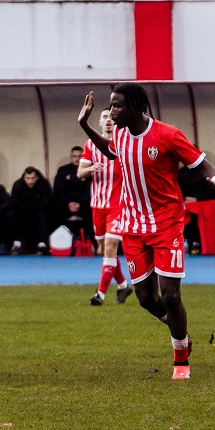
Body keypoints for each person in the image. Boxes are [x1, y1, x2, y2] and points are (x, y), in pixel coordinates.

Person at [77, 83, 215, 381]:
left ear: (135, 107)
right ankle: (182, 337)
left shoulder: (167, 134)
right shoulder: (120, 133)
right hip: (133, 227)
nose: (111, 112)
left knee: (171, 296)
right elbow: (110, 151)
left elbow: (201, 163)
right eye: (110, 106)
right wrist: (84, 124)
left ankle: (180, 359)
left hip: (166, 225)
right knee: (146, 297)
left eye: (117, 106)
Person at [77, 109, 133, 306]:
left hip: (119, 204)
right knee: (103, 249)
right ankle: (124, 285)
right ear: (99, 123)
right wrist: (91, 168)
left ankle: (100, 294)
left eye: (111, 117)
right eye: (104, 117)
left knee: (110, 247)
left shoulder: (124, 142)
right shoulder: (90, 145)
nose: (108, 120)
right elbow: (80, 173)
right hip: (98, 205)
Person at [53, 145, 93, 245]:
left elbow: (91, 189)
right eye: (74, 156)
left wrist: (81, 203)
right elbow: (58, 189)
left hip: (84, 205)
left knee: (93, 215)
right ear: (71, 157)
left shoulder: (89, 170)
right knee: (54, 213)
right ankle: (58, 245)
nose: (77, 159)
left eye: (79, 156)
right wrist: (68, 203)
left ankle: (92, 243)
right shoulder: (63, 170)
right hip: (66, 205)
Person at [9, 166, 54, 255]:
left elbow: (47, 200)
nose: (30, 181)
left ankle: (42, 245)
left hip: (39, 209)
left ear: (37, 177)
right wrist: (25, 208)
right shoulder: (18, 184)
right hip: (22, 210)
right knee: (15, 215)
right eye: (28, 178)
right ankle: (17, 244)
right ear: (24, 177)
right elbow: (15, 201)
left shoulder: (44, 184)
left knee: (43, 216)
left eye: (33, 178)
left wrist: (35, 208)